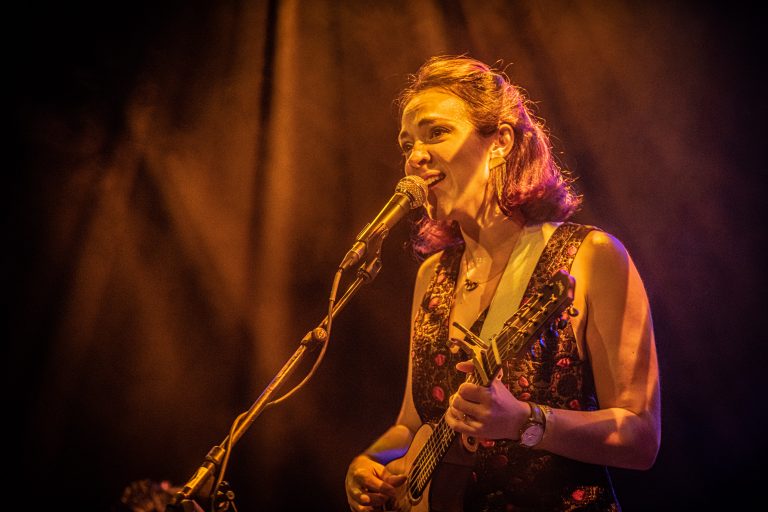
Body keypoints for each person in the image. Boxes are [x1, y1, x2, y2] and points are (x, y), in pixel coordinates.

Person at [344, 55, 660, 511]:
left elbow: (641, 436)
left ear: (500, 142)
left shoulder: (590, 256)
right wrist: (370, 462)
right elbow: (414, 424)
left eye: (437, 133)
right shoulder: (433, 276)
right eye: (407, 143)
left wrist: (525, 422)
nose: (415, 157)